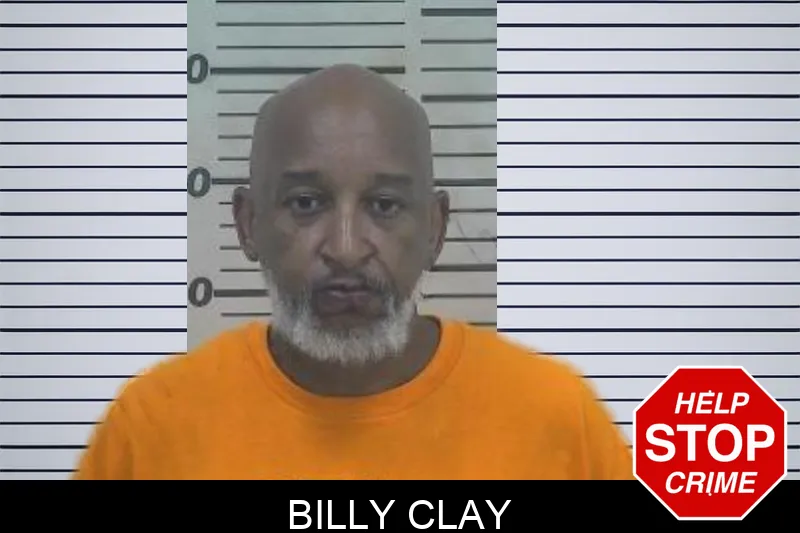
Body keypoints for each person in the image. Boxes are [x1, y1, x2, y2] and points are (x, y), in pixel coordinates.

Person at [73, 64, 633, 480]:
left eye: (384, 206)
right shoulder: (151, 431)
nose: (345, 249)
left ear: (435, 228)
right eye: (306, 204)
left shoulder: (557, 420)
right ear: (247, 224)